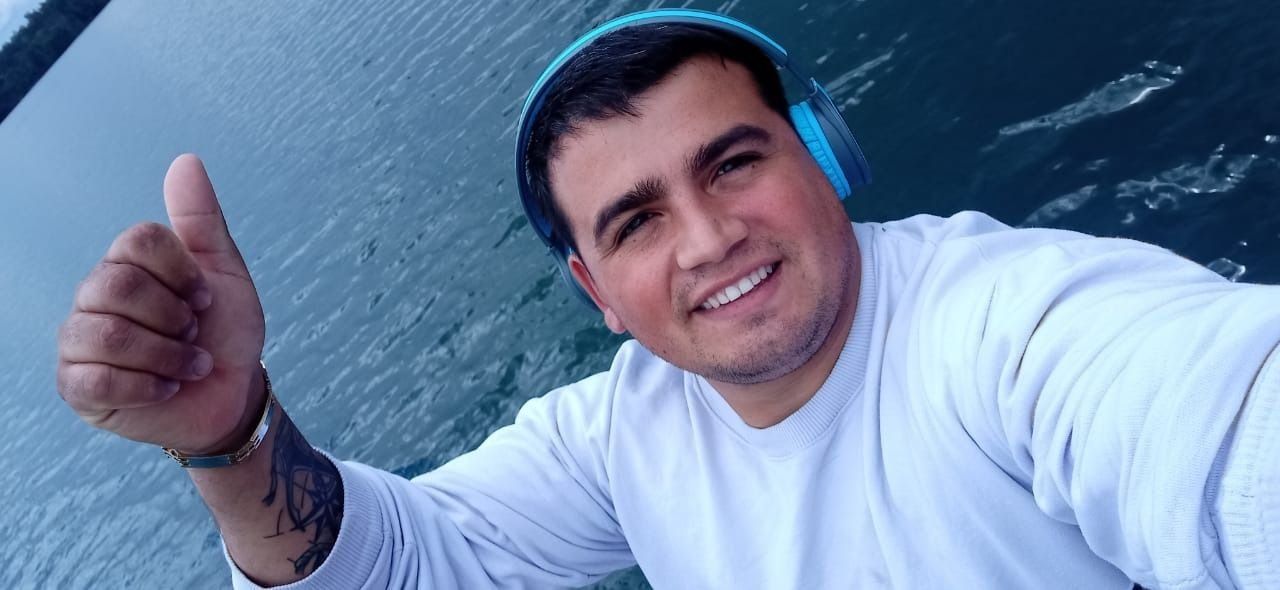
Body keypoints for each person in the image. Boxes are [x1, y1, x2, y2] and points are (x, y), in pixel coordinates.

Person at [54, 9, 1279, 590]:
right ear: (595, 290)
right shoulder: (621, 435)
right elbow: (405, 565)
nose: (706, 238)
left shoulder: (1009, 324)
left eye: (732, 162)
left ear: (822, 152)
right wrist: (230, 431)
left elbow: (1215, 425)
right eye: (635, 219)